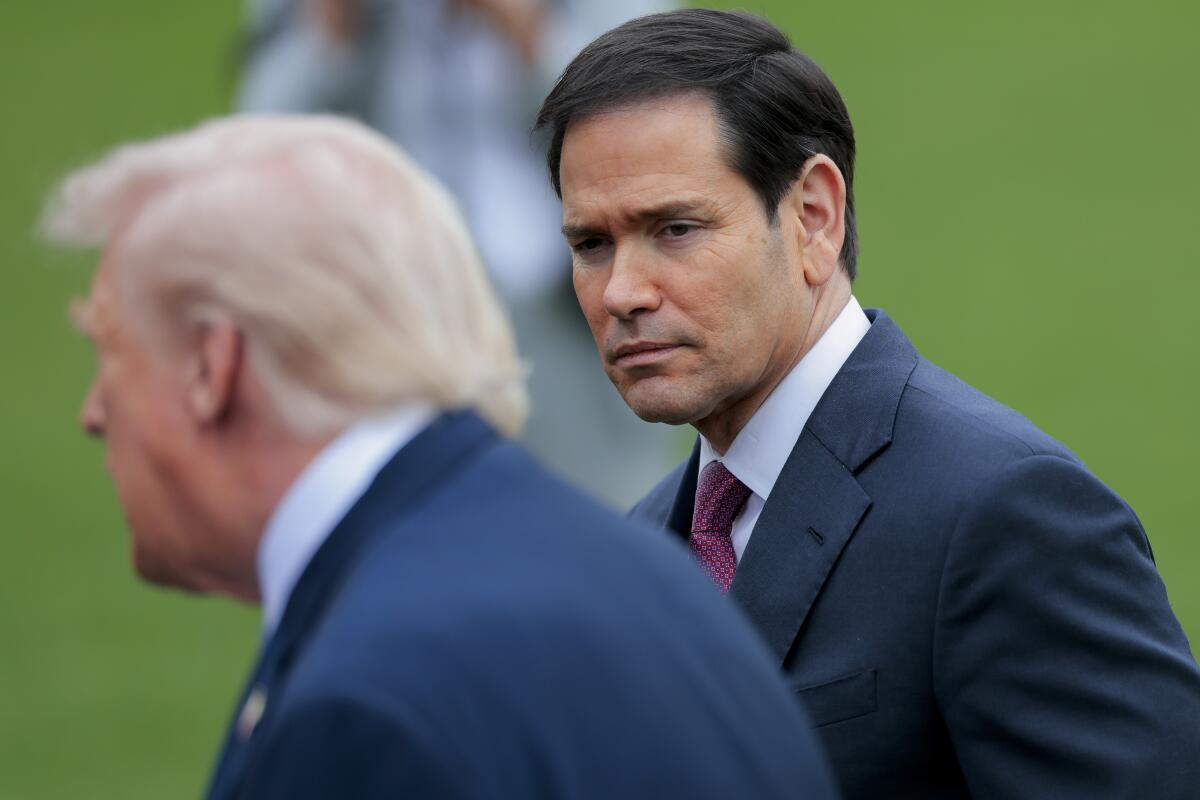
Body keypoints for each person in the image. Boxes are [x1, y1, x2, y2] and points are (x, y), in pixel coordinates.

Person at [42, 115, 838, 799]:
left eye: (111, 350)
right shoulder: (656, 574)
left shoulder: (367, 710)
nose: (92, 412)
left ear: (211, 366)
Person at [534, 9, 1200, 799]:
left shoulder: (1004, 513)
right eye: (591, 244)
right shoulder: (643, 544)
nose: (621, 292)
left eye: (675, 228)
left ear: (813, 217)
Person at [236, 0, 681, 507]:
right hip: (384, 307)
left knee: (592, 516)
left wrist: (523, 28)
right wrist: (334, 30)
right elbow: (267, 148)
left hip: (562, 309)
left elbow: (645, 138)